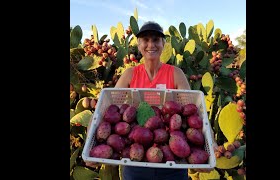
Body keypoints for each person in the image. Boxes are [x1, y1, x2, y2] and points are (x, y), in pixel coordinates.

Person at [86, 21, 214, 180]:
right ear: (139, 45)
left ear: (163, 44)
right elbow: (106, 111)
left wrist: (211, 147)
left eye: (155, 40)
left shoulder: (176, 73)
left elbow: (196, 113)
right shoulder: (130, 74)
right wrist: (90, 145)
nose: (150, 45)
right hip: (136, 162)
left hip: (172, 161)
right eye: (145, 40)